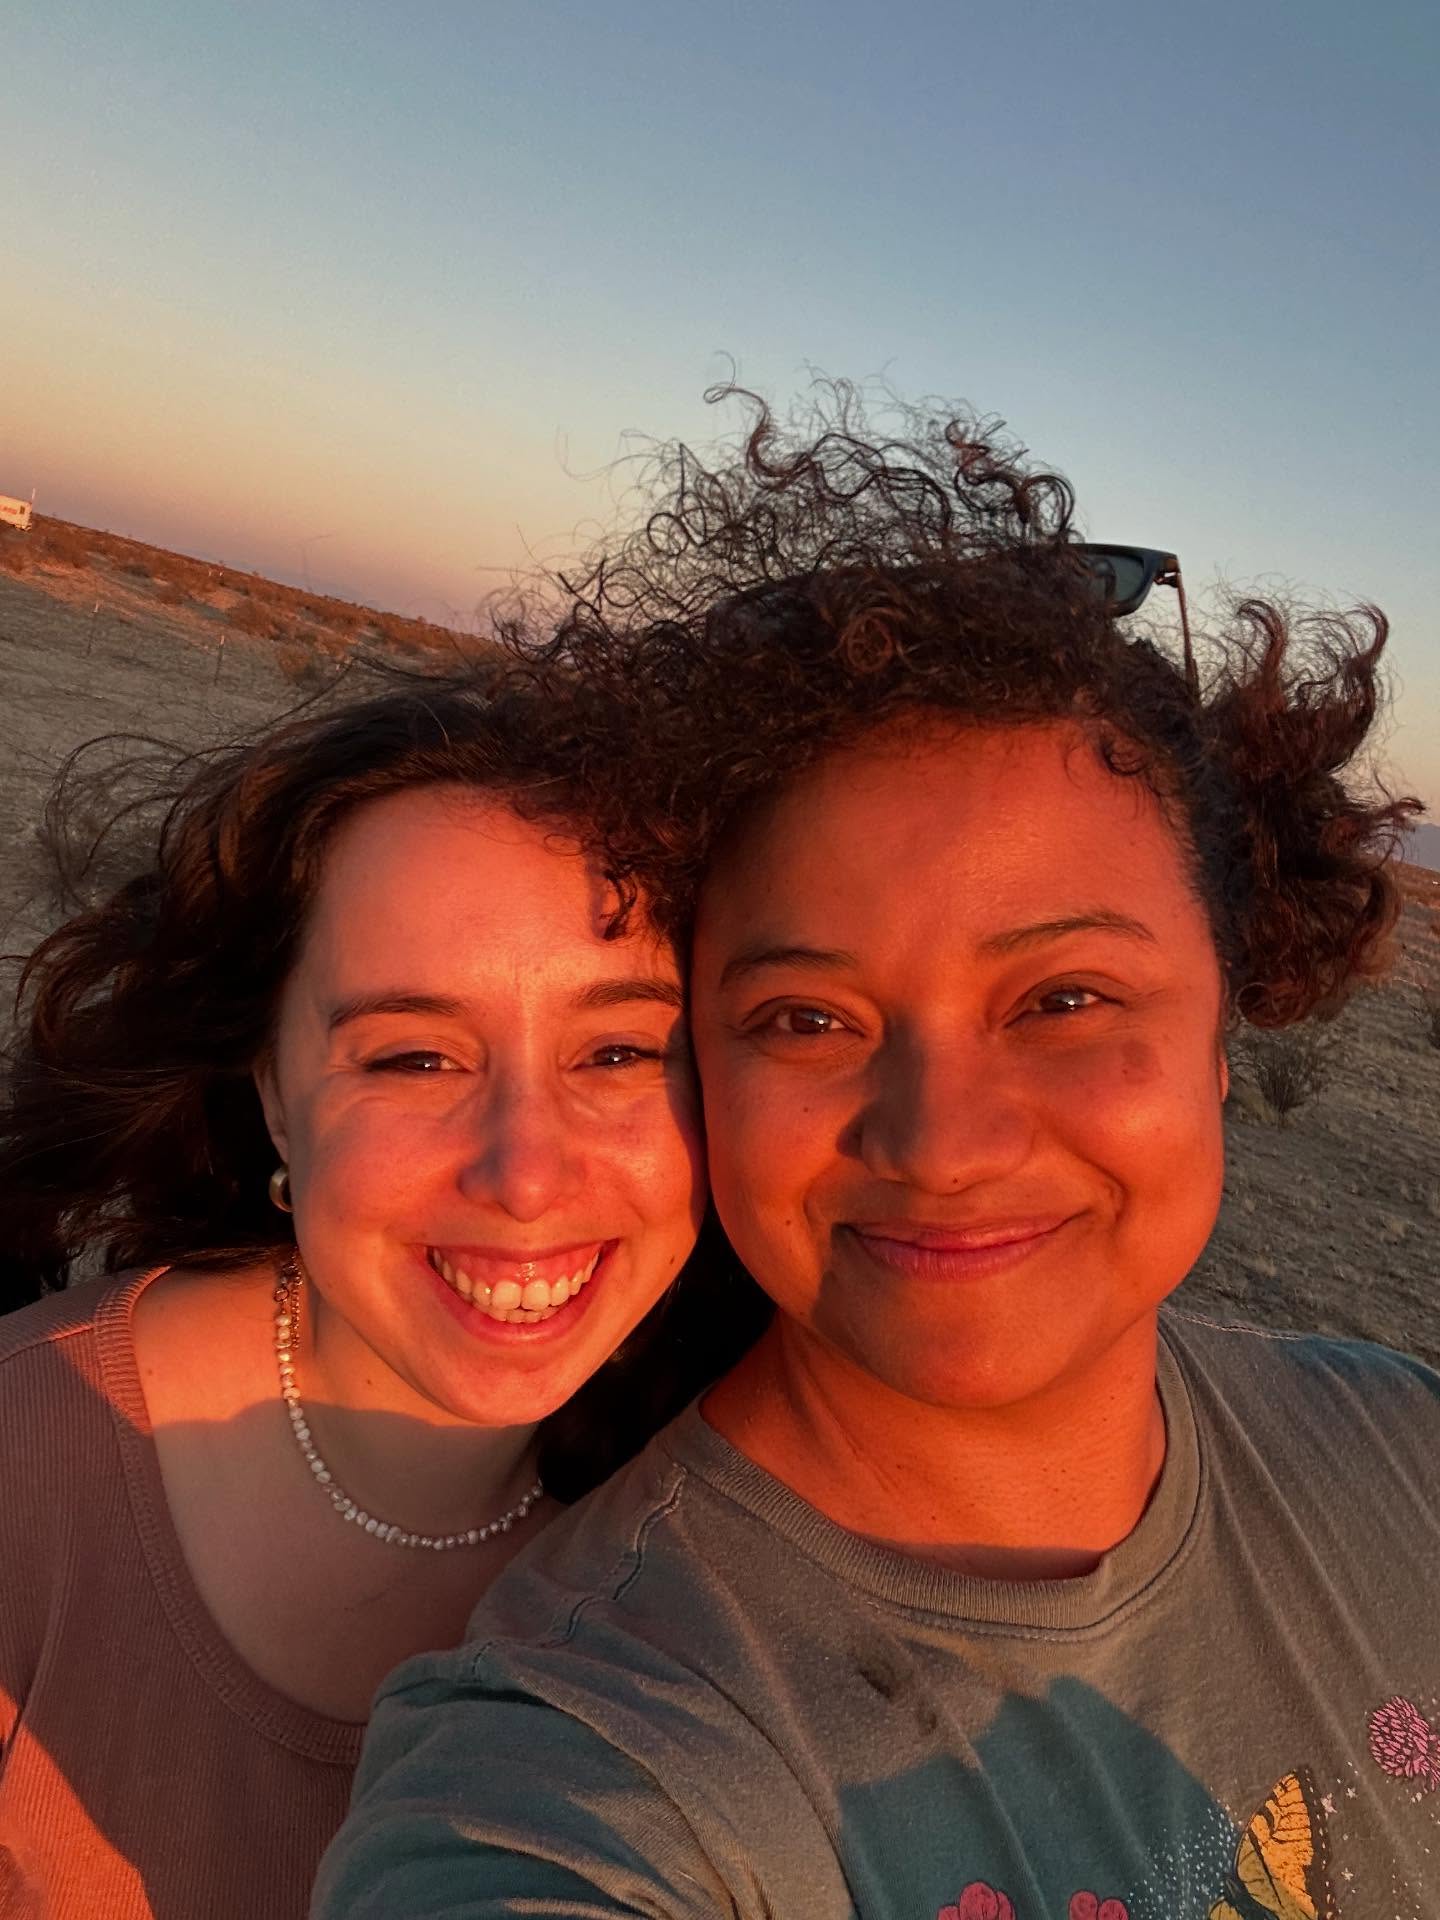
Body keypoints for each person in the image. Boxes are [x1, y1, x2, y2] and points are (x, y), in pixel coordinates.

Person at [315, 390, 1438, 1918]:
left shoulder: (1403, 1449)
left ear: (1224, 1029)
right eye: (806, 1018)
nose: (943, 1143)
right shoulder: (587, 1745)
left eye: (1061, 999)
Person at [0, 664, 764, 1919]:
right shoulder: (29, 1477)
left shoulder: (731, 1528)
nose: (526, 1175)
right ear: (270, 1088)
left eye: (620, 1051)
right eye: (414, 1056)